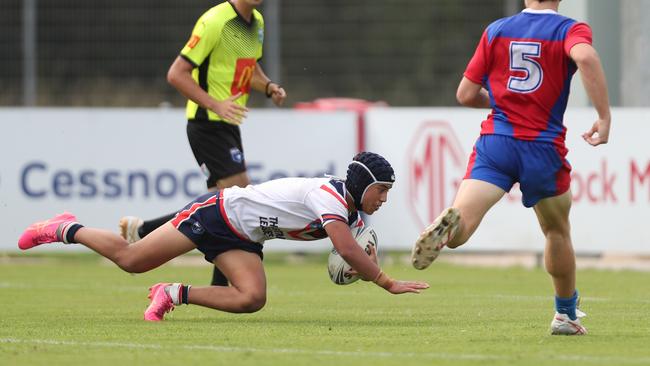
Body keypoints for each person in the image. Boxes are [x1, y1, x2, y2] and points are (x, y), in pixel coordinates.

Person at [19, 152, 429, 321]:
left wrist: (368, 264)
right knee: (131, 259)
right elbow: (343, 249)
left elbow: (354, 252)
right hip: (218, 214)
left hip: (244, 236)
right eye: (383, 190)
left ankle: (173, 293)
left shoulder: (352, 214)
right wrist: (385, 281)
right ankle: (62, 228)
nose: (385, 199)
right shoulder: (330, 197)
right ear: (363, 185)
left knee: (252, 298)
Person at [411, 0, 611, 335]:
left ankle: (450, 227)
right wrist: (604, 117)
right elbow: (586, 56)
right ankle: (565, 315)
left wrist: (501, 98)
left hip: (497, 142)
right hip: (541, 147)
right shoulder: (570, 29)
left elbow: (465, 94)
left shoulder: (497, 30)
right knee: (557, 231)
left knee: (463, 226)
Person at [119, 0, 287, 288]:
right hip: (207, 123)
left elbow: (249, 66)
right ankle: (216, 284)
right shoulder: (215, 21)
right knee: (238, 200)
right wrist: (215, 105)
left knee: (220, 206)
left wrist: (269, 86)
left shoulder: (256, 22)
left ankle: (145, 232)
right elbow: (176, 74)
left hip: (228, 124)